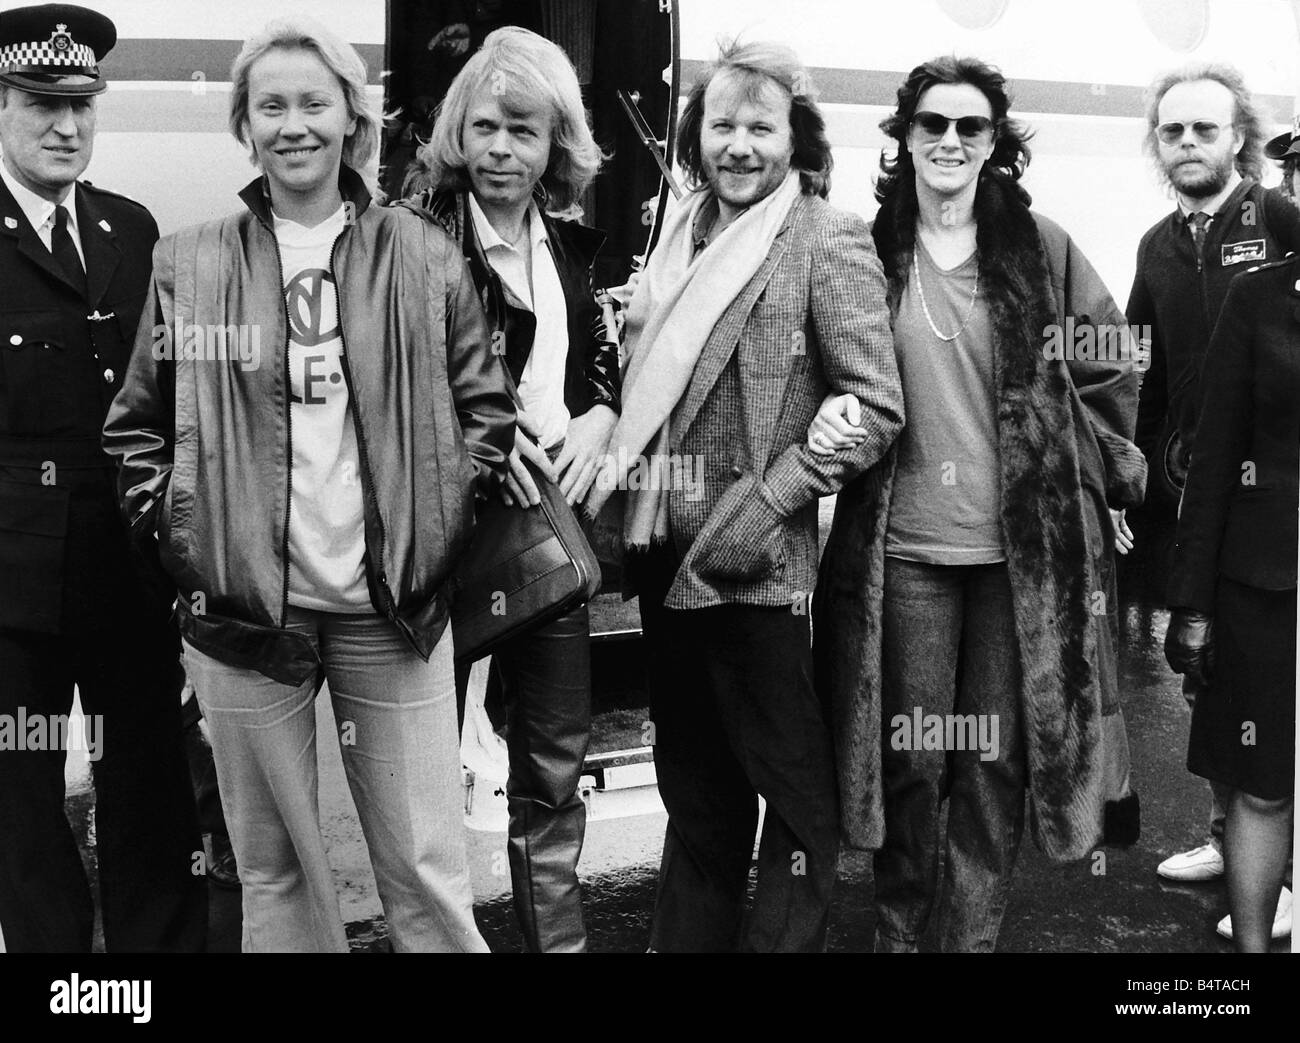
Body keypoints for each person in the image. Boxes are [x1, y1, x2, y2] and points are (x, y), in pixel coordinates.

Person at [103, 16, 515, 953]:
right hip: (246, 617)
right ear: (245, 124)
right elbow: (136, 426)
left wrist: (435, 532)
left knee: (424, 873)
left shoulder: (418, 253)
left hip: (394, 612)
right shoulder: (192, 260)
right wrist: (187, 539)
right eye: (271, 105)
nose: (294, 124)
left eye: (314, 103)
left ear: (352, 120)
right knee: (276, 871)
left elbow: (484, 417)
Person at [809, 55, 1145, 952]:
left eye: (972, 127)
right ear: (904, 135)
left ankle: (966, 939)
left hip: (1020, 564)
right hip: (904, 554)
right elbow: (814, 365)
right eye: (932, 124)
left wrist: (1099, 472)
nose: (951, 141)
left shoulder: (1043, 249)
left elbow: (1114, 365)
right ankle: (898, 932)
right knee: (912, 759)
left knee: (993, 759)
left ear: (996, 142)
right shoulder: (864, 248)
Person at [585, 40, 903, 953]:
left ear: (793, 137)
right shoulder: (680, 231)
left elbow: (876, 402)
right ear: (698, 134)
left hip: (756, 565)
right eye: (721, 124)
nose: (738, 144)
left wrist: (769, 503)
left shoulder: (824, 235)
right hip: (663, 553)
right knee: (695, 789)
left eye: (761, 126)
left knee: (797, 795)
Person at [401, 27, 616, 953]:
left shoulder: (569, 244)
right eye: (485, 126)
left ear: (554, 143)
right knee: (423, 777)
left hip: (549, 536)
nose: (501, 149)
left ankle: (556, 947)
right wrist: (481, 447)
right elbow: (393, 386)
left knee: (553, 770)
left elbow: (599, 371)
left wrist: (600, 425)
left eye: (524, 131)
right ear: (458, 131)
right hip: (447, 540)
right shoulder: (412, 239)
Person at [0, 2, 206, 952]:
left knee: (146, 792)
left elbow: (160, 405)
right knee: (22, 810)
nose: (66, 125)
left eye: (83, 104)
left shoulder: (131, 229)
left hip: (127, 574)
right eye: (42, 102)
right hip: (13, 589)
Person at [1127, 63, 1297, 937]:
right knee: (1205, 673)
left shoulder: (1280, 224)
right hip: (1190, 500)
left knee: (1268, 686)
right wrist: (1140, 474)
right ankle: (1227, 835)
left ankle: (1278, 859)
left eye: (1205, 129)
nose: (1188, 144)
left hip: (1268, 511)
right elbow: (1143, 376)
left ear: (1240, 138)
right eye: (1172, 131)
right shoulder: (1156, 243)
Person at [1163, 252, 1297, 952]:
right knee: (1263, 782)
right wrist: (1193, 603)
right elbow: (1214, 453)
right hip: (1267, 587)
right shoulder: (1259, 297)